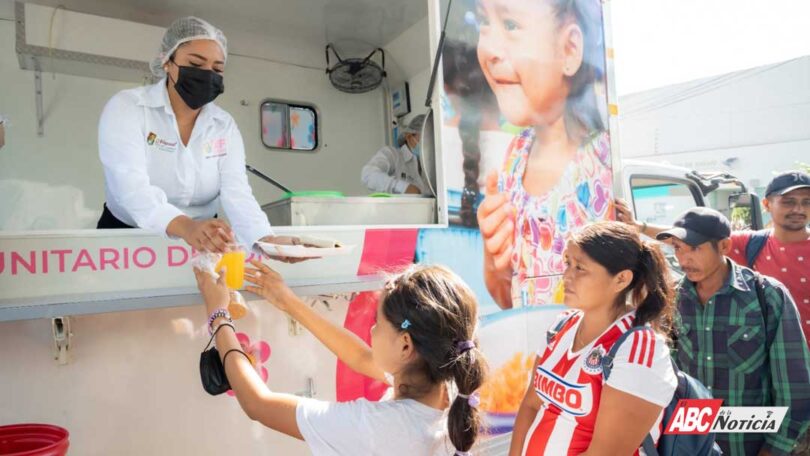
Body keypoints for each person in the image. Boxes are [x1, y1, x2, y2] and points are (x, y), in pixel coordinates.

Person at [195, 261, 488, 455]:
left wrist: (219, 315)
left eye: (378, 322)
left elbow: (259, 404)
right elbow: (362, 357)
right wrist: (289, 302)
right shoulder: (446, 386)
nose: (371, 329)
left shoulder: (378, 429)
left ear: (405, 345)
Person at [97, 17, 295, 256]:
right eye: (195, 63)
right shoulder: (129, 107)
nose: (207, 75)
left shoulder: (223, 125)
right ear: (167, 62)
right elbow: (129, 186)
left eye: (217, 69)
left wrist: (265, 240)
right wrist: (186, 227)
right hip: (129, 236)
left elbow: (237, 192)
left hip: (203, 238)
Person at [475, 0, 614, 310]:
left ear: (569, 49)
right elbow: (508, 298)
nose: (490, 49)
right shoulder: (514, 156)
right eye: (483, 21)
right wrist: (494, 263)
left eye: (510, 25)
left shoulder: (601, 161)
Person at [509, 222, 677, 455]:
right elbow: (530, 406)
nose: (566, 276)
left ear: (621, 280)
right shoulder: (561, 325)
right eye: (568, 263)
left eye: (580, 268)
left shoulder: (639, 350)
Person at [654, 207, 810, 456]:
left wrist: (773, 449)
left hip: (749, 446)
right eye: (678, 248)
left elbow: (795, 386)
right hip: (688, 445)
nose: (684, 260)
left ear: (725, 247)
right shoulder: (671, 298)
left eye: (694, 248)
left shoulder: (767, 296)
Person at [616, 170, 810, 344]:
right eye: (789, 202)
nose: (798, 210)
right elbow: (692, 235)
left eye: (806, 202)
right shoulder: (752, 243)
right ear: (766, 204)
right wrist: (638, 226)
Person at [361, 114, 431, 195]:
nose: (428, 144)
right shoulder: (392, 155)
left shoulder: (430, 163)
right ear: (409, 137)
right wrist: (402, 187)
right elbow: (368, 175)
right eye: (425, 139)